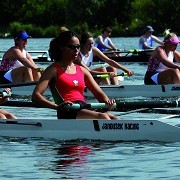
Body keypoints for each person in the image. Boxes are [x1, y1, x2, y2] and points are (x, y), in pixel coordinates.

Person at [32, 31, 118, 120]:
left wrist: (108, 103)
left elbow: (99, 94)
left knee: (114, 118)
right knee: (103, 117)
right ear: (61, 48)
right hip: (66, 111)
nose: (76, 50)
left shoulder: (83, 70)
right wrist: (56, 106)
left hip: (82, 108)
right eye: (72, 47)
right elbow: (36, 96)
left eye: (78, 47)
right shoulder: (52, 70)